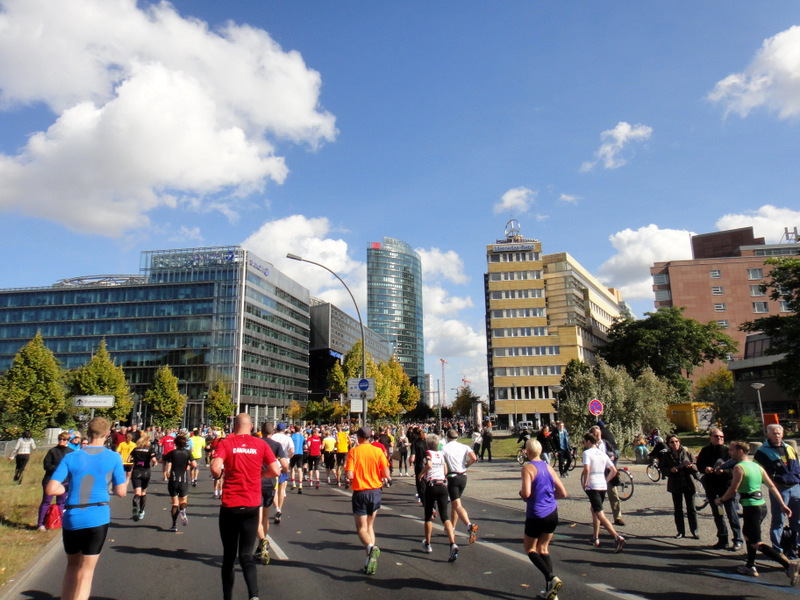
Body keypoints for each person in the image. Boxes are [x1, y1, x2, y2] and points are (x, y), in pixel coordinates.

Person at [46, 417, 126, 600]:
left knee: (72, 566)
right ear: (107, 434)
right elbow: (121, 492)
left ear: (87, 434)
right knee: (86, 571)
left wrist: (67, 487)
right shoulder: (114, 457)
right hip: (97, 516)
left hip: (73, 515)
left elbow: (51, 489)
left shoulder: (71, 457)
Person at [211, 413, 280, 600]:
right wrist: (259, 476)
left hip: (231, 505)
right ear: (251, 427)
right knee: (246, 555)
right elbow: (275, 470)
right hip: (251, 505)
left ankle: (228, 597)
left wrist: (220, 476)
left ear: (234, 427)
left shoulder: (226, 443)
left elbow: (215, 468)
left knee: (229, 556)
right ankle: (254, 596)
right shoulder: (260, 444)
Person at [716, 440, 799, 583]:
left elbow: (733, 489)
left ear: (740, 451)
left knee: (755, 542)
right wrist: (782, 505)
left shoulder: (739, 467)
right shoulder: (757, 467)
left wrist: (721, 500)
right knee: (748, 534)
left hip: (751, 508)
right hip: (761, 507)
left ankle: (788, 565)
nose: (729, 452)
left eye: (731, 450)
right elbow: (772, 486)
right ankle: (750, 565)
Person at [520, 438, 568, 600]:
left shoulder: (528, 468)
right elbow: (562, 493)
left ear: (527, 452)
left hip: (536, 514)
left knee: (530, 549)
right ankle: (551, 592)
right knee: (544, 549)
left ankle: (551, 578)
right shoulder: (549, 467)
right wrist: (548, 496)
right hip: (552, 513)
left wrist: (523, 495)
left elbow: (526, 493)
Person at [345, 426, 390, 575]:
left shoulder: (354, 451)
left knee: (361, 529)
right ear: (370, 437)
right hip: (376, 492)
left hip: (361, 492)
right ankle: (369, 560)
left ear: (358, 437)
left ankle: (371, 548)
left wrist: (352, 474)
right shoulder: (378, 451)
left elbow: (350, 475)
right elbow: (386, 472)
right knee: (370, 526)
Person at [755, 423, 800, 557]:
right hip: (779, 490)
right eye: (773, 433)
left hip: (795, 487)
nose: (777, 435)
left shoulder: (789, 448)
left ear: (783, 434)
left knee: (797, 520)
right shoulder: (763, 451)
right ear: (768, 434)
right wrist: (771, 483)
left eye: (779, 433)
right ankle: (777, 550)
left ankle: (795, 546)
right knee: (778, 520)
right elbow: (759, 472)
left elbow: (796, 466)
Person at [696, 428, 742, 550]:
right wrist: (705, 469)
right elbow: (699, 465)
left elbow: (736, 469)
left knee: (732, 515)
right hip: (712, 488)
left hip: (726, 488)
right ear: (711, 437)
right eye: (716, 436)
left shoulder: (728, 452)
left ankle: (737, 539)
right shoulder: (705, 451)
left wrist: (723, 471)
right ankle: (722, 539)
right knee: (718, 515)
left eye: (721, 437)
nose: (719, 438)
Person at [581, 432, 625, 552]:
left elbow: (586, 468)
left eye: (584, 442)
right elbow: (613, 470)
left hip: (593, 485)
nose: (584, 444)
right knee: (594, 509)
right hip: (602, 485)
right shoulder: (602, 453)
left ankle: (617, 537)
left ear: (589, 441)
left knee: (599, 512)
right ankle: (595, 537)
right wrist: (606, 480)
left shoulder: (586, 453)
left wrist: (585, 481)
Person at [419, 433, 459, 561]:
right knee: (445, 516)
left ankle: (428, 543)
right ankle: (452, 543)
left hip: (431, 485)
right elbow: (445, 471)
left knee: (428, 516)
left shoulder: (427, 453)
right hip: (442, 485)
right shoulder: (441, 454)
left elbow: (429, 465)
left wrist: (421, 474)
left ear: (428, 444)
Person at [254, 422, 290, 565]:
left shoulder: (256, 443)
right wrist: (284, 472)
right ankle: (261, 544)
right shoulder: (276, 445)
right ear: (272, 432)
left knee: (257, 514)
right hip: (270, 482)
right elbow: (285, 463)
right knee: (266, 514)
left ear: (261, 431)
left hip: (256, 481)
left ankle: (262, 541)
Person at [442, 428, 479, 544]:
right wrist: (466, 464)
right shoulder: (464, 447)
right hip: (463, 476)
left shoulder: (444, 448)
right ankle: (452, 527)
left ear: (447, 438)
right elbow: (474, 457)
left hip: (452, 476)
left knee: (457, 504)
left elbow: (443, 463)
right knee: (455, 503)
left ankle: (469, 525)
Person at [660, 434, 699, 539]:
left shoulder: (686, 452)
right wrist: (670, 470)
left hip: (688, 483)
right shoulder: (667, 455)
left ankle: (694, 530)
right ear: (669, 444)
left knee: (691, 509)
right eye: (672, 442)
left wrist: (691, 466)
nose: (675, 444)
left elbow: (696, 466)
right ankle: (681, 531)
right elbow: (662, 469)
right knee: (678, 509)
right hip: (675, 484)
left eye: (676, 441)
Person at [37, 431, 74, 531]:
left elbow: (73, 467)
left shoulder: (70, 452)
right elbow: (46, 465)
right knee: (46, 501)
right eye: (60, 439)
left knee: (61, 502)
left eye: (64, 439)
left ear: (68, 441)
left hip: (65, 481)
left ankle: (59, 521)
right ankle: (41, 524)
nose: (62, 441)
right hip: (50, 480)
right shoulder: (52, 451)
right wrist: (59, 469)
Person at [591, 424, 624, 526]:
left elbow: (615, 452)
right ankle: (599, 518)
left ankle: (618, 517)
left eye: (599, 433)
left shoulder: (605, 443)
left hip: (608, 472)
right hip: (598, 474)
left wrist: (613, 456)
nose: (598, 435)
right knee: (599, 498)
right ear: (592, 435)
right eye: (596, 434)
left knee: (614, 495)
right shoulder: (591, 446)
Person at [164, 434, 196, 532]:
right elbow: (194, 464)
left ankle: (174, 525)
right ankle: (183, 511)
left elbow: (162, 459)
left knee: (174, 503)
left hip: (173, 480)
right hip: (184, 479)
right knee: (183, 501)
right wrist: (188, 463)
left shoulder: (172, 453)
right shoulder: (187, 453)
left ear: (176, 443)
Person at [271, 423, 294, 521]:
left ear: (276, 429)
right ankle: (279, 508)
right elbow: (292, 451)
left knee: (274, 489)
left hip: (274, 464)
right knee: (282, 489)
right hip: (284, 464)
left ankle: (276, 508)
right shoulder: (288, 438)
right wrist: (288, 457)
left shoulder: (273, 437)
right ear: (284, 430)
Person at [410, 427, 427, 503]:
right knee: (427, 482)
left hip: (419, 464)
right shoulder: (426, 441)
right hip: (427, 463)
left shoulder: (415, 443)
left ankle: (423, 499)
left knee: (420, 483)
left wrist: (410, 462)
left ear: (414, 434)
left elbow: (412, 457)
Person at [290, 425, 306, 493]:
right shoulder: (302, 437)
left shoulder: (292, 436)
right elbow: (305, 446)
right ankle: (300, 485)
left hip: (293, 453)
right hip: (300, 453)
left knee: (292, 468)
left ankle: (293, 483)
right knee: (300, 469)